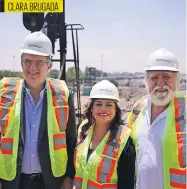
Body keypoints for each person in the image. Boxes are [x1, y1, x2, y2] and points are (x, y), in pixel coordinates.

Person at [0, 31, 77, 189]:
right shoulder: (4, 93)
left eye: (39, 62)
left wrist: (69, 176)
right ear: (21, 63)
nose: (32, 67)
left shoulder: (63, 95)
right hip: (12, 181)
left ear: (49, 65)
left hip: (50, 181)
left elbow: (71, 140)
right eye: (27, 61)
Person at [128, 48, 186, 189]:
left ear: (177, 81)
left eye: (166, 76)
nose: (160, 83)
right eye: (154, 77)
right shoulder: (137, 109)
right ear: (147, 81)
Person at [73, 80, 136, 189]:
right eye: (98, 104)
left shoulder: (124, 139)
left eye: (108, 104)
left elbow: (127, 182)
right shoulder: (83, 131)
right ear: (91, 108)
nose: (103, 108)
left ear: (115, 109)